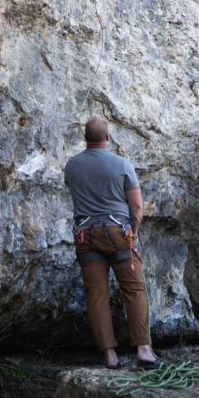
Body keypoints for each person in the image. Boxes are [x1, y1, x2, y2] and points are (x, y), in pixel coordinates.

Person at [64, 116, 163, 369]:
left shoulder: (72, 166)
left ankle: (110, 356)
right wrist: (134, 232)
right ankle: (143, 350)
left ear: (85, 138)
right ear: (108, 137)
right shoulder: (122, 164)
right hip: (118, 233)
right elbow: (137, 206)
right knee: (134, 289)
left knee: (97, 295)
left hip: (85, 235)